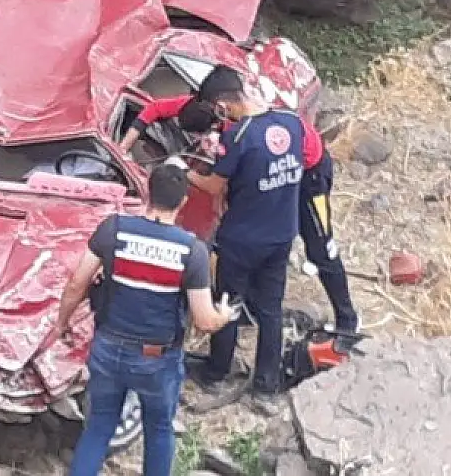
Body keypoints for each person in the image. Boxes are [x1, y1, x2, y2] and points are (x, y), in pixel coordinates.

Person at [121, 87, 360, 334]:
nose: (212, 135)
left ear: (221, 112)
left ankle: (347, 320)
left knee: (322, 248)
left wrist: (184, 171)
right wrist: (124, 146)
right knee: (258, 242)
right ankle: (252, 305)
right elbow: (155, 109)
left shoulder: (240, 124)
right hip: (267, 178)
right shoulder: (208, 105)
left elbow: (216, 184)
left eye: (213, 129)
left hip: (309, 175)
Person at [51, 164, 238, 476]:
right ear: (183, 203)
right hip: (156, 359)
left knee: (98, 428)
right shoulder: (192, 251)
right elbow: (204, 320)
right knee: (160, 430)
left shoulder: (114, 229)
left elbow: (76, 284)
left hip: (108, 347)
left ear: (148, 194)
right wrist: (225, 316)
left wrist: (61, 324)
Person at [180, 65, 305, 415]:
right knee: (270, 310)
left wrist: (183, 172)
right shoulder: (291, 123)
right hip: (282, 234)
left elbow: (214, 186)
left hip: (242, 239)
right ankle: (266, 386)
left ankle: (217, 371)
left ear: (222, 104)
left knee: (228, 304)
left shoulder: (239, 137)